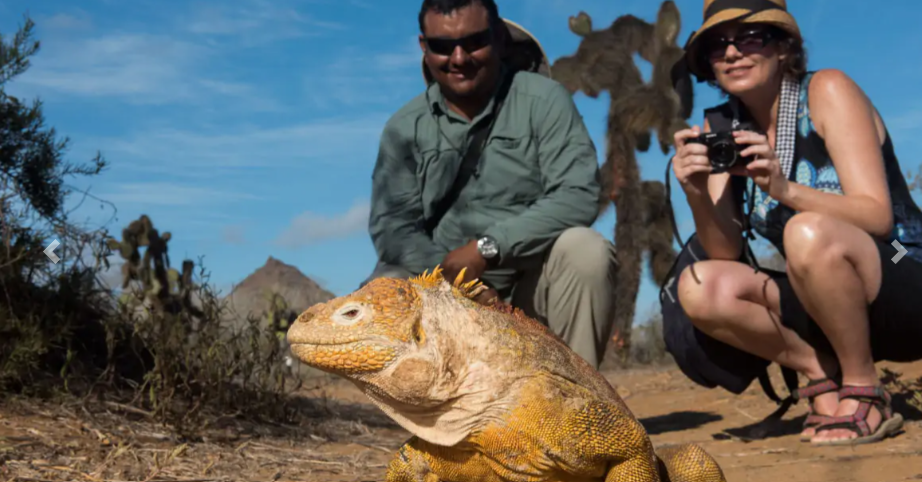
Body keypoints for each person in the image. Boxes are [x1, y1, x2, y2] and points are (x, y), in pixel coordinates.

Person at [668, 0, 922, 446]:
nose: (732, 53)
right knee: (700, 284)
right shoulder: (725, 126)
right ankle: (818, 373)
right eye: (717, 45)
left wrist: (785, 190)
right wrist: (694, 192)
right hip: (829, 303)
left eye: (750, 37)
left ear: (783, 47)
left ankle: (865, 387)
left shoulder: (826, 90)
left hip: (905, 271)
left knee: (805, 232)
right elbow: (726, 252)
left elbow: (878, 218)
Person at [364, 0, 619, 370]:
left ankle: (576, 409)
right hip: (445, 291)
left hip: (534, 285)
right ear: (423, 46)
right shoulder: (403, 128)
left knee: (587, 251)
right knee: (383, 287)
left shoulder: (544, 100)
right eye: (441, 45)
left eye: (473, 41)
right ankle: (429, 423)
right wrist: (461, 284)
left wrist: (488, 248)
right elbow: (393, 229)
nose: (458, 57)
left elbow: (577, 195)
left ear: (499, 37)